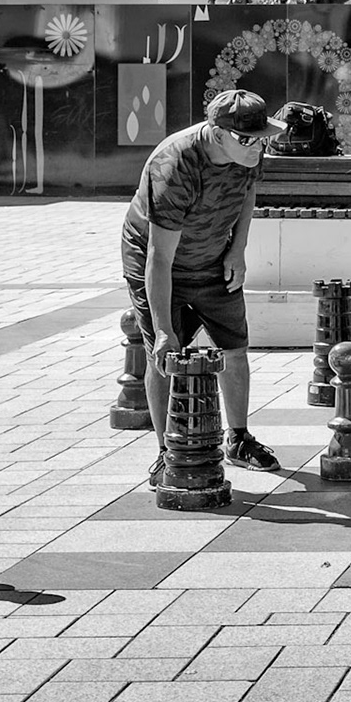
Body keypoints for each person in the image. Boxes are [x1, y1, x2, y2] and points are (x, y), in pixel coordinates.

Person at [123, 88, 288, 486]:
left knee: (235, 347)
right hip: (161, 261)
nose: (257, 147)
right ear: (216, 133)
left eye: (262, 138)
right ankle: (168, 452)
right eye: (248, 139)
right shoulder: (175, 164)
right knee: (165, 355)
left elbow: (248, 191)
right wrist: (163, 329)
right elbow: (159, 257)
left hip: (214, 255)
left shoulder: (247, 148)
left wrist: (238, 249)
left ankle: (239, 438)